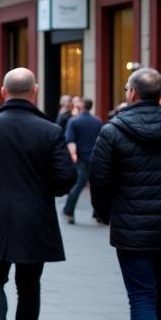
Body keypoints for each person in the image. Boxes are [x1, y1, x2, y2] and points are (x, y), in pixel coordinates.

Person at [0, 68, 76, 320]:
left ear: (4, 92)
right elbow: (66, 178)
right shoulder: (50, 130)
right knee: (29, 287)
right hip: (34, 218)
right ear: (35, 91)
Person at [89, 66, 161, 320]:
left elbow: (100, 181)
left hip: (133, 229)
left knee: (142, 297)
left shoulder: (113, 131)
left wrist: (105, 215)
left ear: (132, 93)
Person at [62, 96, 102, 224]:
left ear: (82, 106)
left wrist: (73, 156)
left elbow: (70, 141)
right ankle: (98, 214)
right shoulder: (97, 121)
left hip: (81, 157)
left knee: (78, 184)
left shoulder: (74, 121)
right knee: (96, 186)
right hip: (95, 157)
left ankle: (69, 212)